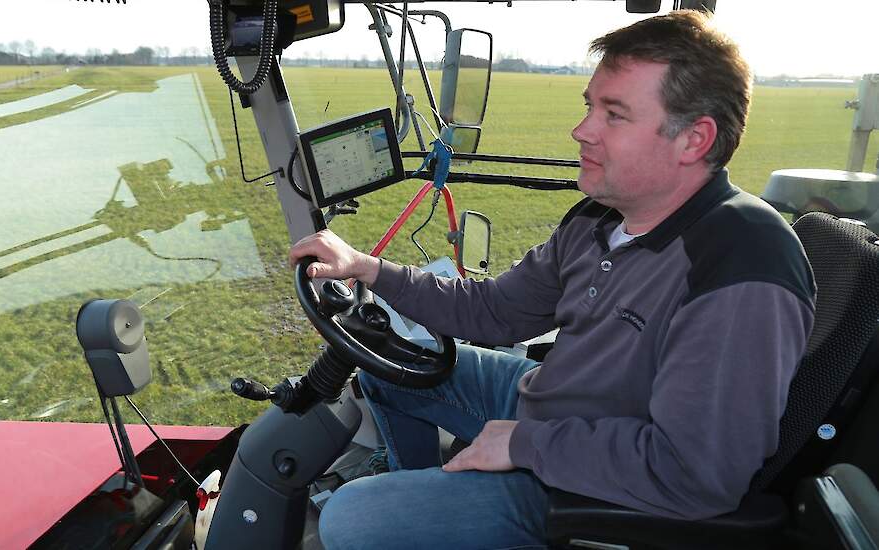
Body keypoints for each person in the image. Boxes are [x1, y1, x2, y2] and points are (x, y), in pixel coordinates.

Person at [290, 10, 815, 549]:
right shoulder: (601, 218)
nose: (581, 130)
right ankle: (428, 495)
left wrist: (525, 446)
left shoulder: (740, 263)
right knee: (391, 366)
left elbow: (697, 473)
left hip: (589, 488)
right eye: (590, 106)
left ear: (694, 139)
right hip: (549, 411)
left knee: (350, 520)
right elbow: (495, 311)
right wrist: (370, 269)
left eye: (613, 115)